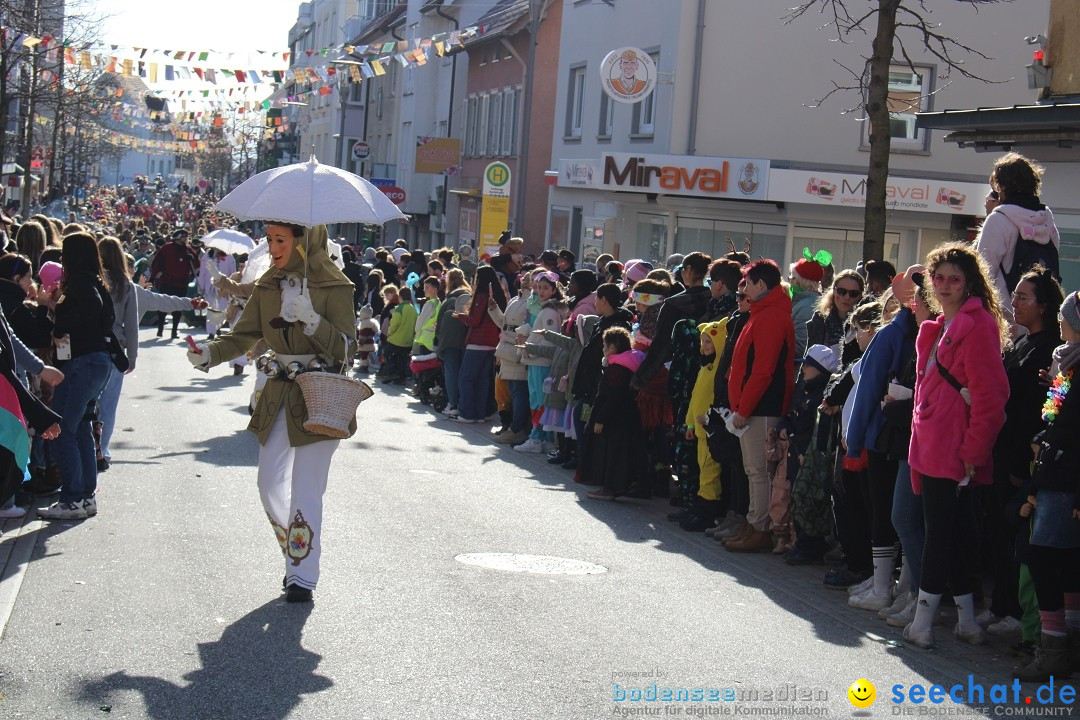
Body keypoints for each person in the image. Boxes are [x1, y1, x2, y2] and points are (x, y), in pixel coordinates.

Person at [187, 223, 356, 603]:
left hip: (320, 395)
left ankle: (302, 576)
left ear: (303, 241)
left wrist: (313, 321)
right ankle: (298, 549)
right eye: (270, 240)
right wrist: (209, 355)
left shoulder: (336, 287)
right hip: (278, 392)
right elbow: (242, 335)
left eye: (281, 240)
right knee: (267, 484)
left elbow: (348, 349)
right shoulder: (267, 285)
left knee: (307, 490)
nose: (273, 247)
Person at [903, 242, 1010, 649]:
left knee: (939, 534)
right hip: (936, 442)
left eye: (954, 279)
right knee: (959, 533)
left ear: (969, 284)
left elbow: (991, 397)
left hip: (952, 447)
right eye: (939, 278)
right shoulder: (941, 325)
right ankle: (966, 621)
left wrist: (972, 453)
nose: (945, 286)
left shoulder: (976, 325)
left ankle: (923, 623)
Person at [1012, 291, 1080, 680]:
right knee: (1065, 559)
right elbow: (1052, 416)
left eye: (1066, 317)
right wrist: (1053, 385)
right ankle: (1067, 642)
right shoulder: (1066, 363)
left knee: (1044, 557)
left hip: (1066, 476)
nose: (1060, 321)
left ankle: (1054, 647)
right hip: (1055, 470)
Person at [38, 233, 117, 520]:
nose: (61, 259)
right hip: (97, 362)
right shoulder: (96, 281)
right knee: (82, 427)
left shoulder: (81, 285)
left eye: (63, 254)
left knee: (61, 430)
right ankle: (84, 496)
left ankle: (72, 498)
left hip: (81, 364)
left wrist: (59, 321)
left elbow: (82, 313)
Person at [725, 259, 796, 552]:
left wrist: (743, 408)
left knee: (759, 471)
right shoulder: (764, 312)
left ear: (761, 285)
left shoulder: (770, 316)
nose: (744, 288)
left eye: (748, 283)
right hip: (755, 405)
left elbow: (763, 370)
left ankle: (760, 528)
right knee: (754, 470)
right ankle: (754, 525)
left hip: (762, 407)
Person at [974, 152, 1060, 322]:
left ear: (1002, 187)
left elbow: (981, 273)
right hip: (1042, 317)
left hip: (1007, 318)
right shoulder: (1046, 217)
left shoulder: (999, 219)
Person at [582, 327, 648, 500]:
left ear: (612, 348)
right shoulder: (626, 364)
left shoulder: (617, 368)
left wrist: (600, 419)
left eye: (605, 346)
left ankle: (609, 488)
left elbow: (613, 397)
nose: (603, 349)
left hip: (616, 418)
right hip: (626, 416)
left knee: (613, 454)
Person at [452, 266, 505, 424]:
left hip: (477, 342)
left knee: (466, 378)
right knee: (482, 380)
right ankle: (480, 414)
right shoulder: (497, 295)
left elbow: (474, 321)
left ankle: (467, 413)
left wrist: (461, 317)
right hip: (491, 343)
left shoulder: (481, 296)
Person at [149, 227, 198, 339]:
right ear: (178, 237)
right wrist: (153, 278)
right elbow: (156, 263)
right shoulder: (166, 248)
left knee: (178, 307)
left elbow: (196, 264)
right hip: (167, 282)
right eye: (184, 237)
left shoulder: (188, 250)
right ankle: (160, 328)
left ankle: (174, 331)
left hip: (181, 283)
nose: (186, 239)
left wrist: (191, 259)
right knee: (163, 305)